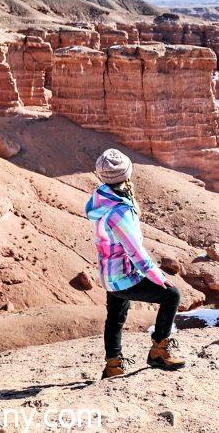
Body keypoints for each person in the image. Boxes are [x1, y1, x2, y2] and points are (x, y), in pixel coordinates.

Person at [86, 148, 186, 378]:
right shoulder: (119, 212)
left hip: (109, 274)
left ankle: (113, 365)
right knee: (172, 296)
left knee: (116, 316)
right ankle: (159, 351)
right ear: (126, 175)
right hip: (122, 275)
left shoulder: (102, 198)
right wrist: (159, 277)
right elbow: (136, 252)